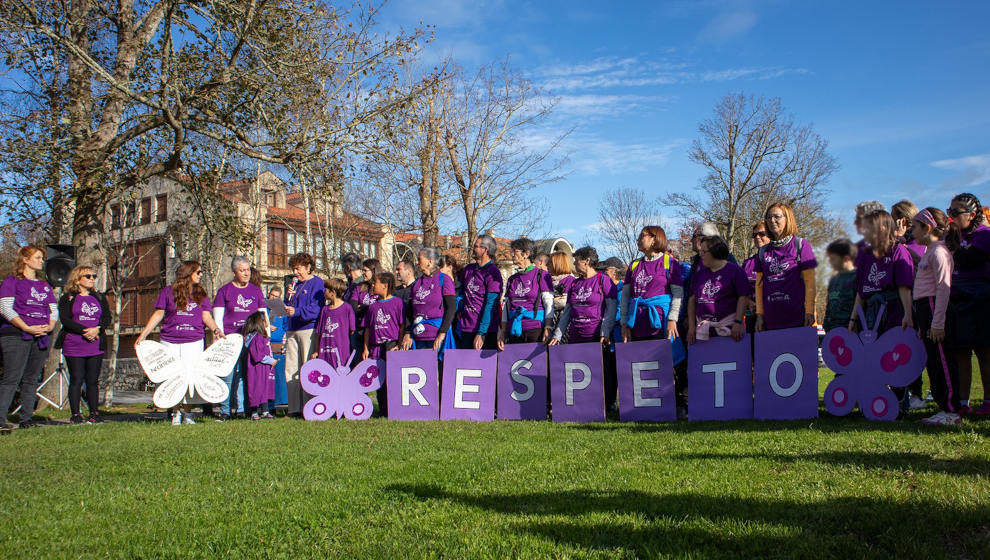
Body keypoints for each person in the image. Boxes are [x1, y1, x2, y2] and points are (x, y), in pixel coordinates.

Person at [135, 261, 224, 426]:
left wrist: (216, 330)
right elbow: (159, 313)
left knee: (190, 377)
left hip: (194, 341)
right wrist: (143, 334)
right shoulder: (168, 292)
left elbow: (206, 316)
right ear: (189, 273)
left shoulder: (200, 293)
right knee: (174, 377)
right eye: (198, 272)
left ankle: (188, 412)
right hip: (170, 340)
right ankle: (176, 412)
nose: (201, 275)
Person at [849, 210, 915, 414]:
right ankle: (873, 400)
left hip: (892, 307)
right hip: (870, 311)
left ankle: (898, 402)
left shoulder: (898, 251)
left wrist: (908, 314)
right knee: (871, 357)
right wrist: (853, 318)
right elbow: (860, 291)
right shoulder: (865, 255)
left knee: (894, 356)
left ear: (885, 227)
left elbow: (904, 286)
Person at [911, 208, 961, 425]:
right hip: (925, 310)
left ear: (927, 228)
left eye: (914, 227)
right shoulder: (928, 251)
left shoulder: (939, 252)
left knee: (942, 361)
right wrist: (924, 325)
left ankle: (951, 411)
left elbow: (943, 288)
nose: (912, 231)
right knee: (933, 362)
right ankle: (942, 408)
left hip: (934, 308)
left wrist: (937, 323)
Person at [0, 245, 57, 429]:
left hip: (40, 336)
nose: (42, 261)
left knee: (31, 378)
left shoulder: (44, 285)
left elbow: (52, 309)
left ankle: (26, 419)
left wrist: (49, 325)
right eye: (38, 257)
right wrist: (26, 327)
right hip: (16, 334)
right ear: (25, 260)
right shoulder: (12, 281)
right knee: (12, 377)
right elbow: (5, 308)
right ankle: (1, 419)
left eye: (42, 258)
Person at [945, 192, 990, 415]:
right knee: (960, 351)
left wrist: (952, 246)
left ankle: (988, 401)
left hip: (980, 297)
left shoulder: (985, 235)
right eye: (949, 212)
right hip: (957, 297)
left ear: (972, 215)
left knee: (984, 351)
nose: (951, 217)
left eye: (956, 213)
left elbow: (969, 259)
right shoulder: (951, 236)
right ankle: (963, 402)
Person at [212, 256, 267, 421]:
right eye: (242, 270)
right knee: (228, 376)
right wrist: (219, 338)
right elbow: (218, 318)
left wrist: (265, 336)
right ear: (234, 272)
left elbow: (263, 315)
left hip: (251, 339)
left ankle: (248, 409)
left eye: (248, 270)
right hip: (230, 339)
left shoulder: (255, 290)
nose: (246, 273)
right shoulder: (224, 291)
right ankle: (225, 411)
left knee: (248, 375)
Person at [56, 265, 111, 424]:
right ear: (78, 278)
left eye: (94, 276)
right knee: (77, 379)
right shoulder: (68, 298)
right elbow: (65, 319)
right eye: (88, 276)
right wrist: (84, 331)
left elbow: (107, 317)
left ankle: (94, 413)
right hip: (74, 344)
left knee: (93, 381)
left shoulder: (99, 297)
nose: (92, 279)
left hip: (95, 344)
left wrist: (97, 329)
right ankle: (75, 415)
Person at [754, 203, 818, 331]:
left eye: (777, 216)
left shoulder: (801, 245)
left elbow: (810, 281)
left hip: (797, 319)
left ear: (788, 218)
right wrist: (759, 315)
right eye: (769, 217)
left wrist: (810, 312)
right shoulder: (762, 252)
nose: (772, 220)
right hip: (771, 321)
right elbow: (759, 286)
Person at [620, 225, 684, 343]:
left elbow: (678, 294)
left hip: (661, 323)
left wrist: (672, 319)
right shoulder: (634, 265)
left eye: (642, 235)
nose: (638, 239)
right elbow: (625, 296)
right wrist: (624, 322)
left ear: (654, 239)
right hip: (636, 323)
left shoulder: (669, 263)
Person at [685, 236, 751, 345]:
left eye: (703, 251)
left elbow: (743, 297)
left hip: (729, 330)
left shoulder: (735, 271)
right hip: (703, 332)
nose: (700, 254)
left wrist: (738, 322)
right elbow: (692, 300)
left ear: (714, 251)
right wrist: (692, 327)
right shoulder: (698, 275)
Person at [283, 252, 325, 417]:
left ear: (308, 267)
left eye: (298, 269)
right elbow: (288, 306)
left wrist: (298, 311)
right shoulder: (294, 285)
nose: (296, 273)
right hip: (292, 329)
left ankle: (310, 406)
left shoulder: (317, 283)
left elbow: (316, 308)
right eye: (293, 269)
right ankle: (293, 408)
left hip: (308, 329)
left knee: (307, 368)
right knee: (291, 369)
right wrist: (287, 299)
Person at [498, 238, 554, 347]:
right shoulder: (512, 279)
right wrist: (503, 331)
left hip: (535, 330)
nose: (512, 254)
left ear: (526, 254)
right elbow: (507, 307)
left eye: (515, 251)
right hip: (514, 329)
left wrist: (548, 327)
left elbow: (549, 304)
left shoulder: (541, 275)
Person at [400, 248, 457, 354]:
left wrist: (442, 333)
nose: (417, 262)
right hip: (418, 336)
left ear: (430, 261)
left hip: (436, 336)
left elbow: (451, 308)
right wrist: (407, 332)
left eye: (419, 259)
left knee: (437, 369)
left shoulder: (444, 280)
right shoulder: (416, 283)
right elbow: (410, 310)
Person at [362, 271, 404, 416]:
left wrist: (398, 344)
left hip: (390, 346)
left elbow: (402, 325)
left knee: (392, 379)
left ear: (385, 285)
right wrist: (366, 347)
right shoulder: (373, 306)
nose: (372, 285)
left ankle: (394, 409)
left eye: (375, 283)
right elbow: (367, 327)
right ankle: (382, 409)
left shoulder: (398, 303)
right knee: (379, 379)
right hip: (376, 347)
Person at [456, 235, 503, 350]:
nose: (473, 249)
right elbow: (461, 293)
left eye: (476, 246)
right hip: (466, 326)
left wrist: (481, 332)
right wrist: (460, 307)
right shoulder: (468, 269)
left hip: (485, 330)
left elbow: (491, 304)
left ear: (485, 250)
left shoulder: (493, 272)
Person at [311, 278, 356, 368]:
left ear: (333, 292)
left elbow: (352, 330)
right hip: (324, 352)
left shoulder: (347, 308)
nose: (324, 292)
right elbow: (319, 333)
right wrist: (316, 350)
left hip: (340, 352)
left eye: (326, 290)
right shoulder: (325, 309)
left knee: (340, 374)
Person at [242, 311, 276, 420]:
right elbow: (257, 355)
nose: (267, 321)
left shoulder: (261, 336)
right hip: (257, 369)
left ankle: (265, 411)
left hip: (263, 368)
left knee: (264, 389)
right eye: (264, 319)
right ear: (260, 322)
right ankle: (254, 412)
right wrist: (271, 361)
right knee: (256, 388)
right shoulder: (256, 337)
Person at [822, 239, 858, 333]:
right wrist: (826, 324)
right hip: (832, 330)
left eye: (833, 258)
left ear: (846, 259)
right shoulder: (833, 280)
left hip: (850, 331)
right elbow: (829, 304)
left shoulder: (857, 278)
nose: (830, 262)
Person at [547, 251, 576, 339]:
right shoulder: (547, 280)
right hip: (549, 320)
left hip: (563, 322)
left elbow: (564, 302)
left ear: (558, 263)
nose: (547, 265)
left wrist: (548, 302)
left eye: (550, 263)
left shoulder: (570, 280)